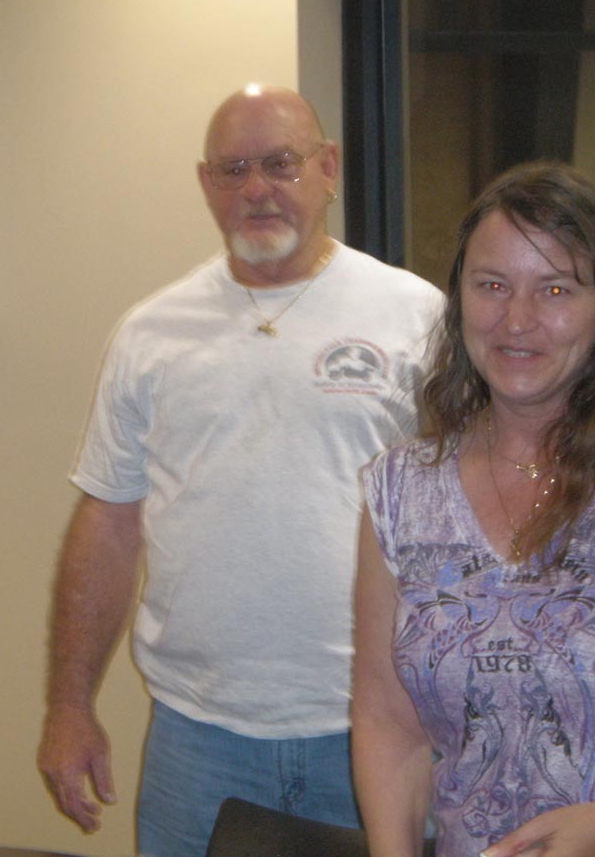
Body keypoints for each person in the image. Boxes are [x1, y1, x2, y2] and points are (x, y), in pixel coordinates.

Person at [37, 83, 444, 857]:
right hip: (198, 740)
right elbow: (109, 527)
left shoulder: (417, 317)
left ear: (328, 168)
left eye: (281, 163)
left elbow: (471, 519)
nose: (257, 188)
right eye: (233, 170)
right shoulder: (151, 334)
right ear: (206, 185)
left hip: (378, 727)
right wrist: (69, 706)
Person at [354, 162, 595, 857]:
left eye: (556, 288)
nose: (517, 320)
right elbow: (388, 723)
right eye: (492, 285)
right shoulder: (399, 492)